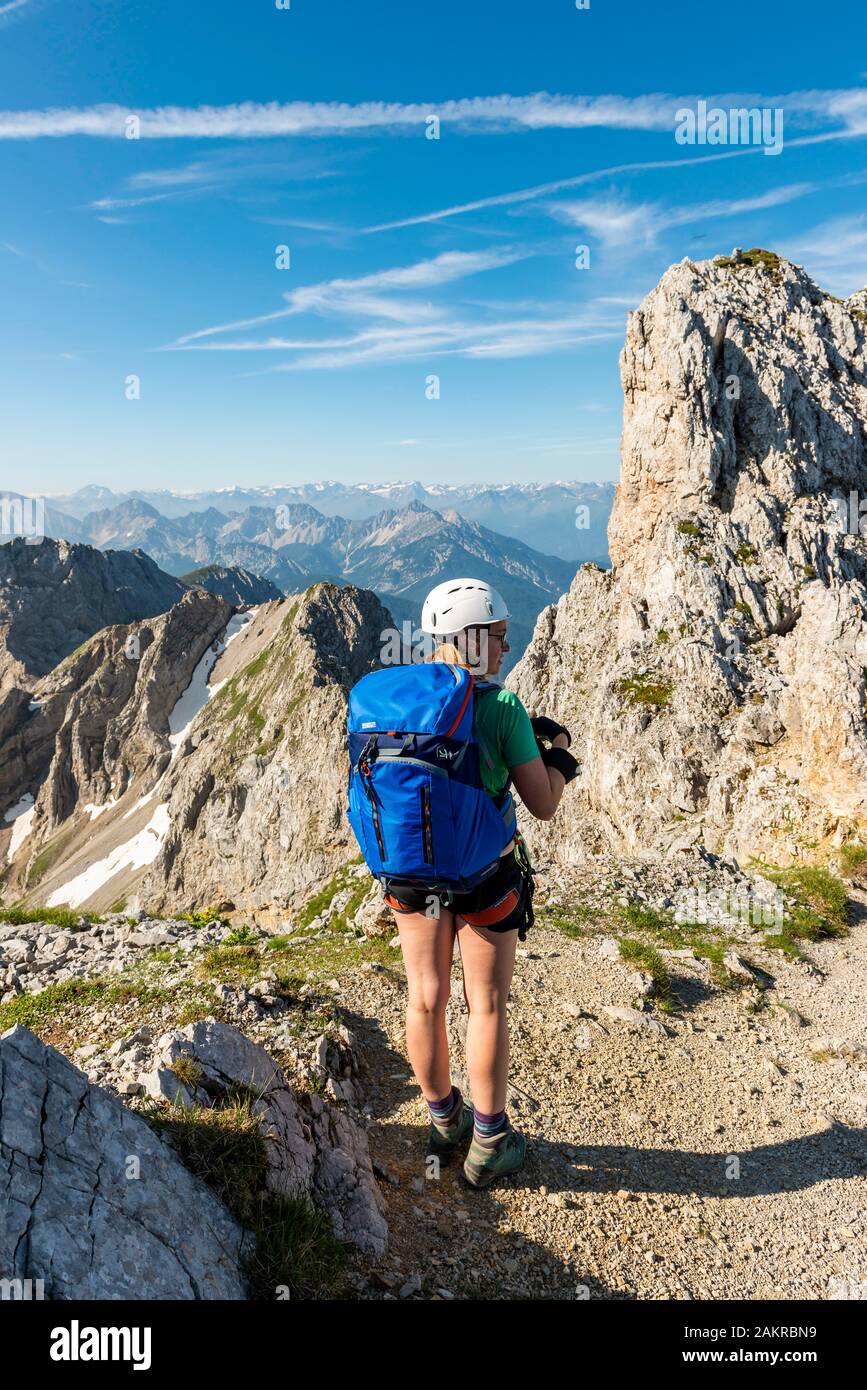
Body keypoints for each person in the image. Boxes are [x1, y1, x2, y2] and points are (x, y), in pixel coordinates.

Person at [384, 578, 579, 1189]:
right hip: (484, 878)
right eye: (497, 635)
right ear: (471, 639)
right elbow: (542, 803)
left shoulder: (399, 704)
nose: (505, 643)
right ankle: (490, 1141)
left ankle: (444, 1123)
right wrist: (560, 755)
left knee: (425, 998)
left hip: (413, 876)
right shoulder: (503, 708)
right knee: (486, 1003)